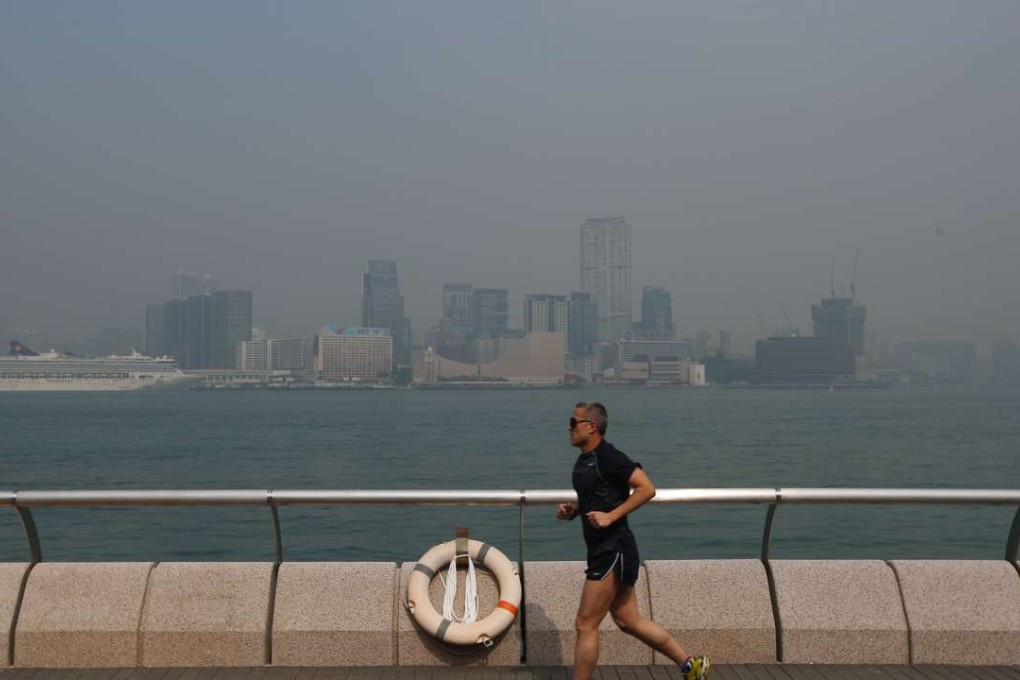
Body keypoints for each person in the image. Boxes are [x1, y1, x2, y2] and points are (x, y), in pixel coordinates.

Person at [557, 401, 711, 680]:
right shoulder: (586, 459)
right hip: (607, 549)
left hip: (612, 549)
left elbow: (646, 488)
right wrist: (575, 510)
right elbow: (602, 494)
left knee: (585, 624)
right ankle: (692, 665)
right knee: (628, 620)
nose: (568, 428)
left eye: (572, 422)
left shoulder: (609, 457)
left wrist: (611, 517)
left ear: (591, 427)